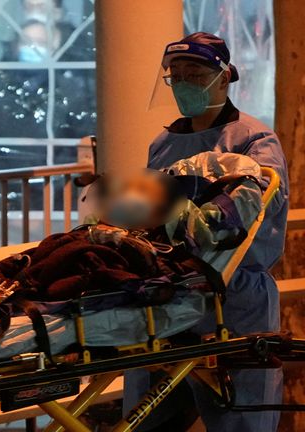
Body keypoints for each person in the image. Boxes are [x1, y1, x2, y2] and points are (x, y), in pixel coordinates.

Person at [123, 32, 289, 431]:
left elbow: (259, 199)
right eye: (175, 75)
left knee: (241, 413)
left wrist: (202, 220)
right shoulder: (164, 143)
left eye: (194, 74)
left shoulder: (253, 140)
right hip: (168, 289)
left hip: (232, 292)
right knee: (149, 411)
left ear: (224, 77)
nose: (183, 84)